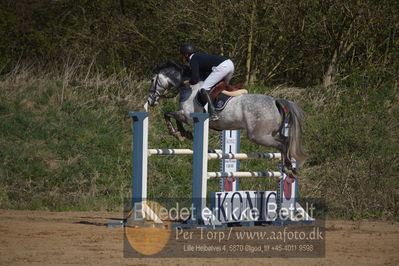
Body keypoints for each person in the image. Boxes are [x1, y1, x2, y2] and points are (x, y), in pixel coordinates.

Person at [180, 44, 234, 121]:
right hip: (230, 64)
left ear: (186, 54)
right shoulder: (199, 56)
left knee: (203, 89)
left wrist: (188, 82)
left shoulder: (193, 59)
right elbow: (204, 74)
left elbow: (195, 79)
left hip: (222, 67)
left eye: (183, 55)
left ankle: (213, 113)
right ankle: (224, 109)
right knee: (222, 88)